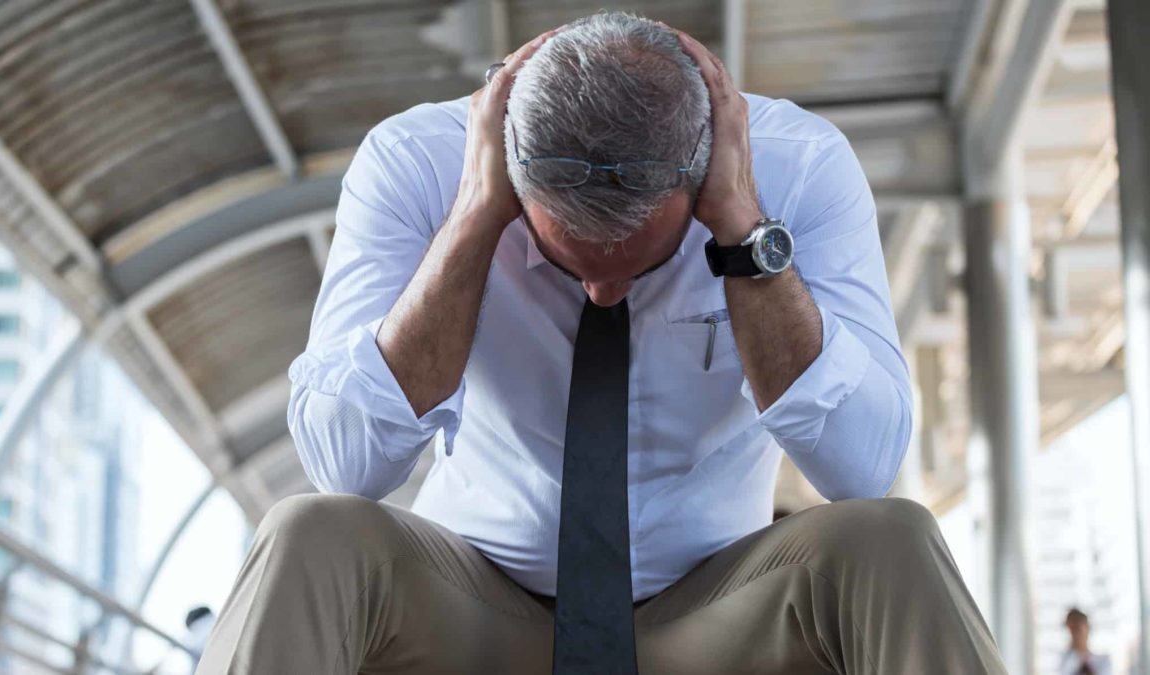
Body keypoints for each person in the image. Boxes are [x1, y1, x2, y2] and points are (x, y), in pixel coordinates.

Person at [197, 12, 1006, 674]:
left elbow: (863, 466)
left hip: (712, 609)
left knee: (891, 539)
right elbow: (348, 464)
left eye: (638, 264)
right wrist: (474, 220)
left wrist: (744, 233)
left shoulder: (799, 167)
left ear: (703, 175)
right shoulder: (415, 163)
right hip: (475, 601)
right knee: (310, 532)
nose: (603, 292)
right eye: (567, 261)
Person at [1061, 608, 1113, 675]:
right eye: (1071, 628)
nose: (1075, 634)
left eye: (1077, 628)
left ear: (1087, 627)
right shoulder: (1064, 661)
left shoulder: (1103, 660)